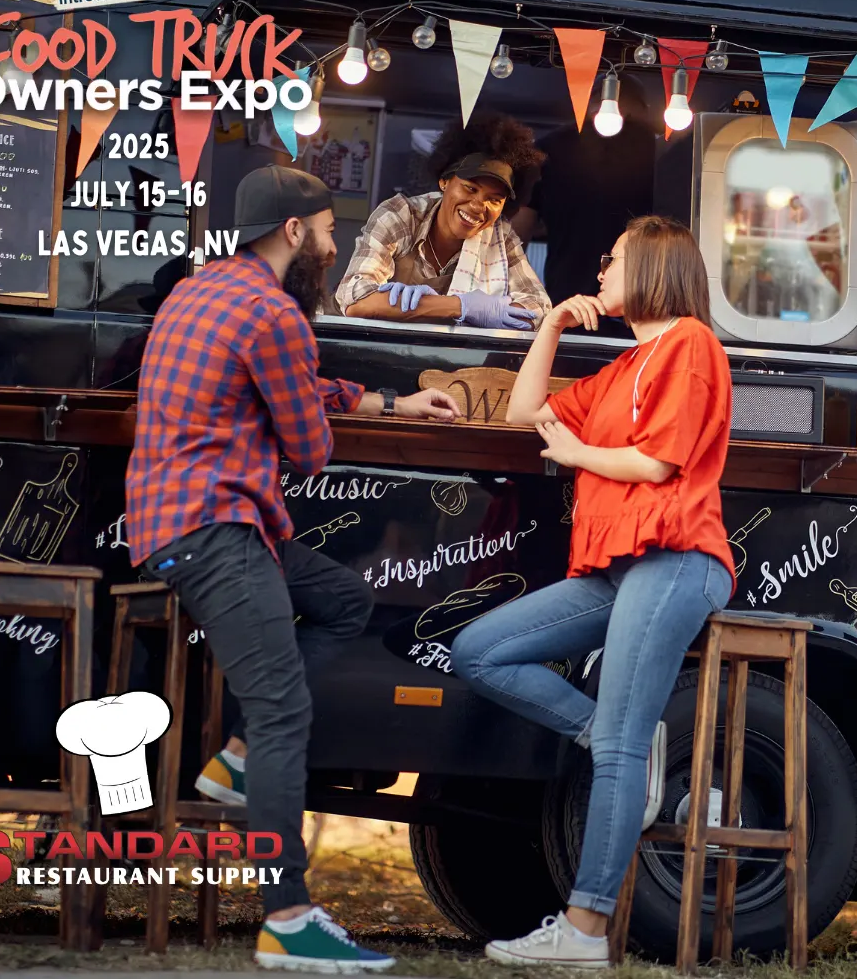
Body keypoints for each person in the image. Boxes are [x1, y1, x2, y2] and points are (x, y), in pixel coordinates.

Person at [125, 164, 460, 972]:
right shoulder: (275, 315)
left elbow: (294, 387)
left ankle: (238, 763)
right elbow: (308, 448)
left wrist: (389, 402)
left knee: (344, 597)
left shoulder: (197, 292)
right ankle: (287, 919)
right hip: (217, 529)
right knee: (283, 715)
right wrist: (332, 408)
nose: (336, 241)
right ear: (294, 232)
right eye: (329, 226)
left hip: (180, 524)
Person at [449, 215, 735, 968]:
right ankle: (621, 747)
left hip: (674, 557)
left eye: (613, 259)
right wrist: (547, 325)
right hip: (617, 566)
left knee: (617, 745)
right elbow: (522, 412)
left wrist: (579, 454)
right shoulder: (623, 364)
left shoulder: (690, 345)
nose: (601, 269)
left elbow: (661, 463)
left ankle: (584, 931)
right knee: (480, 649)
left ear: (652, 266)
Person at [334, 113, 552, 330]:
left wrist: (412, 306)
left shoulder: (500, 236)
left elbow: (539, 309)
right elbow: (355, 300)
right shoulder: (401, 216)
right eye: (470, 188)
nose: (478, 207)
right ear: (444, 181)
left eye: (494, 200)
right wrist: (460, 307)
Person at [508, 83, 655, 330]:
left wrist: (517, 303)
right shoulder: (665, 152)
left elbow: (514, 242)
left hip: (567, 306)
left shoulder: (547, 149)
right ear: (642, 108)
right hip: (643, 313)